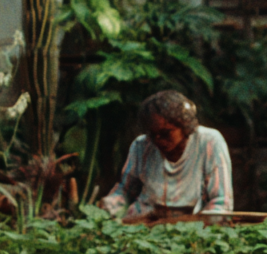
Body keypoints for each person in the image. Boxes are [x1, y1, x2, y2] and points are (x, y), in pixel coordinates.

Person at [100, 91, 234, 223]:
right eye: (152, 134)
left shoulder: (209, 142)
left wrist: (205, 226)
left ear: (185, 125)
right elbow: (125, 190)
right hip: (144, 222)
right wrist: (108, 209)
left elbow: (221, 201)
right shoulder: (141, 145)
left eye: (165, 133)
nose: (158, 140)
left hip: (193, 224)